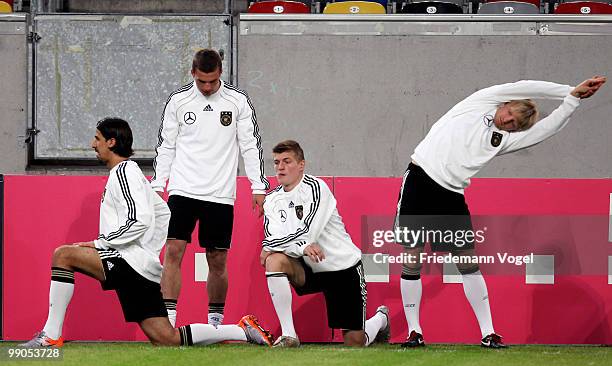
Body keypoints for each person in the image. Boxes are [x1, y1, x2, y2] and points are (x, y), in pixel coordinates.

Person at [21, 118, 273, 348]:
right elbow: (162, 213)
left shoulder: (123, 172)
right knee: (166, 339)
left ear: (112, 142)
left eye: (97, 138)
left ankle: (51, 335)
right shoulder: (129, 173)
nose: (92, 144)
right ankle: (241, 330)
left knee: (63, 255)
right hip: (138, 266)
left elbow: (139, 219)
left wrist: (103, 243)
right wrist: (147, 253)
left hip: (127, 263)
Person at [395, 76, 607, 349]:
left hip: (452, 194)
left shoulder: (502, 140)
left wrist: (572, 102)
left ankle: (488, 333)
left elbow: (546, 130)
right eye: (510, 113)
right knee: (412, 257)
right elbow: (527, 85)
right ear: (506, 103)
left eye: (515, 124)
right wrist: (568, 90)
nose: (508, 121)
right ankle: (415, 331)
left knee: (467, 263)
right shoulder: (480, 101)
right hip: (420, 180)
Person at [151, 49, 269, 328]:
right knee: (173, 250)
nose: (207, 87)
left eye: (212, 82)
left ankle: (214, 324)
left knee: (217, 259)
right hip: (182, 189)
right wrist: (158, 184)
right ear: (193, 73)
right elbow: (166, 146)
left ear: (220, 74)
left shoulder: (237, 101)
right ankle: (169, 321)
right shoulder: (178, 102)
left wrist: (258, 185)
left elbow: (250, 145)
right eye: (202, 81)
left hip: (219, 192)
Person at [260, 140, 390, 348]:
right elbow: (271, 238)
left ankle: (380, 319)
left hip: (342, 268)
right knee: (274, 261)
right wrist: (296, 247)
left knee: (354, 343)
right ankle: (289, 335)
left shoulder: (316, 187)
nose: (280, 167)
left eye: (287, 161)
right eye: (276, 162)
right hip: (309, 268)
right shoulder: (272, 200)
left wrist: (273, 246)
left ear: (301, 164)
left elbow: (309, 230)